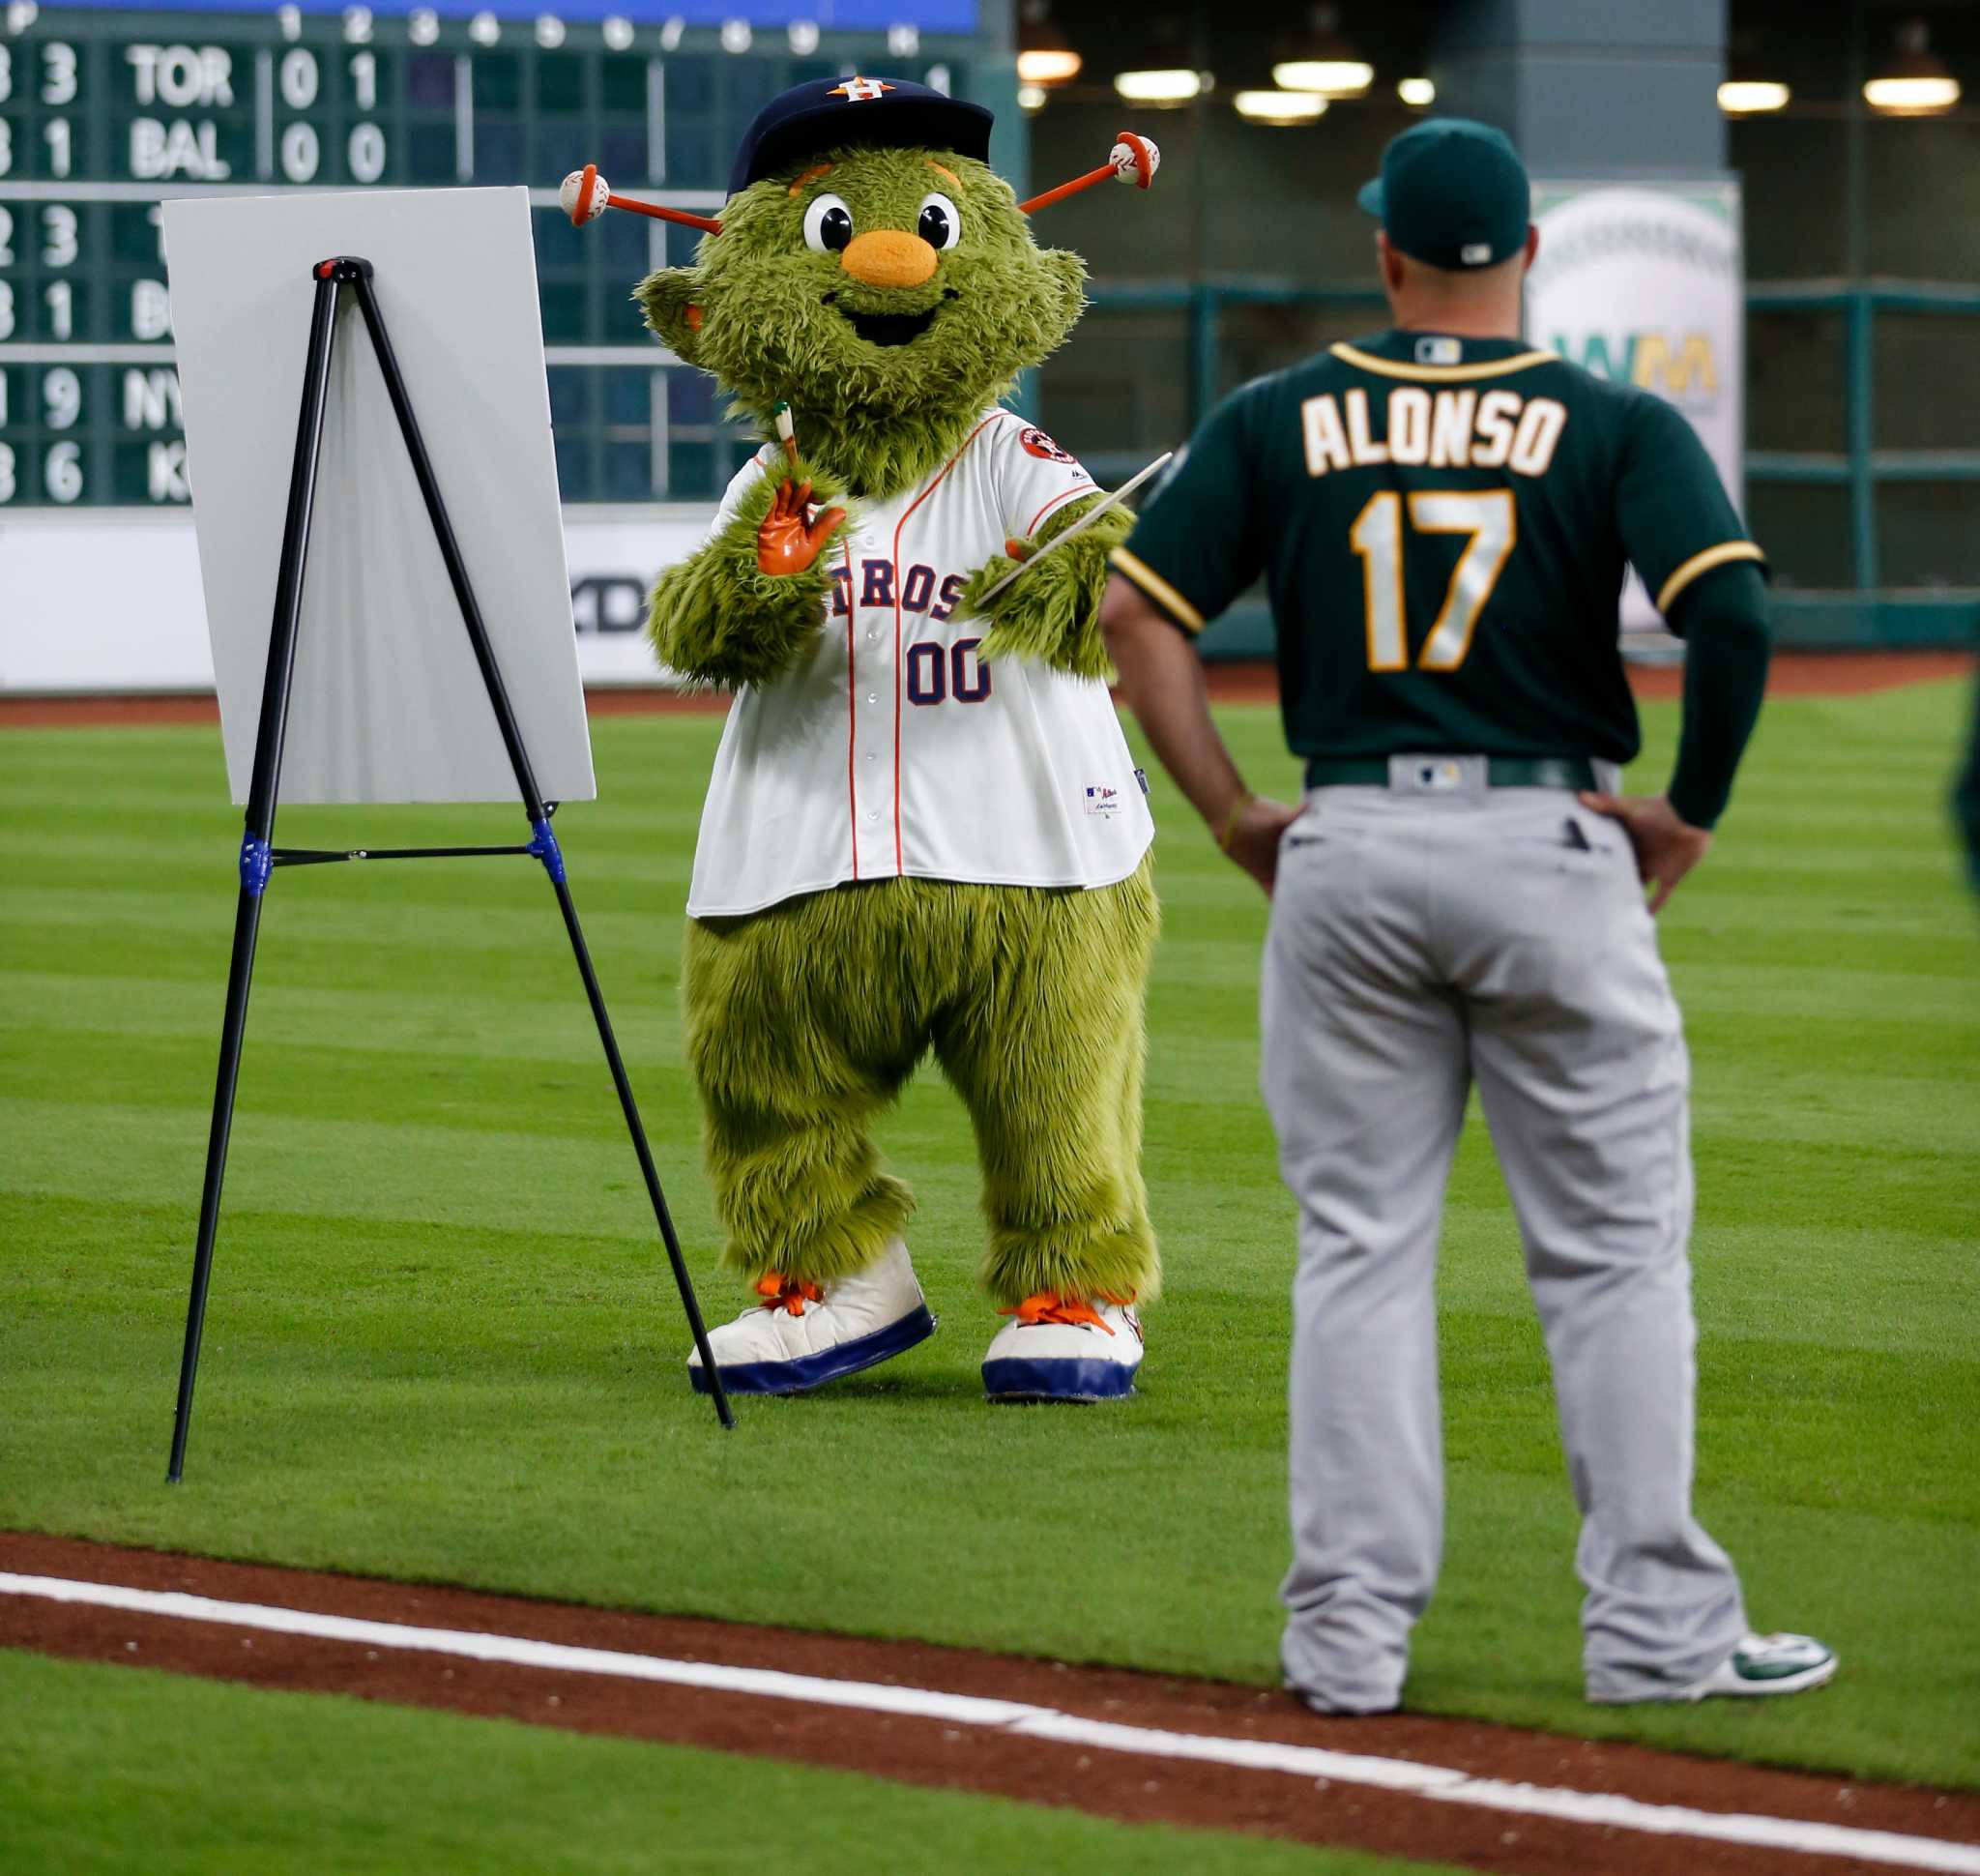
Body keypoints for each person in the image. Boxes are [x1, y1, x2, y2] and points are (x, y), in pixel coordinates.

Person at [1098, 117, 1837, 1712]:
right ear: (1528, 259)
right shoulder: (1609, 417)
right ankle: (1658, 1634)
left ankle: (1346, 1649)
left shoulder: (1283, 414)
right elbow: (1738, 613)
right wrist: (1691, 808)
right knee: (1616, 1262)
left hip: (1350, 836)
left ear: (1385, 255)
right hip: (1548, 835)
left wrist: (1235, 811)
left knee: (1360, 1254)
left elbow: (1131, 613)